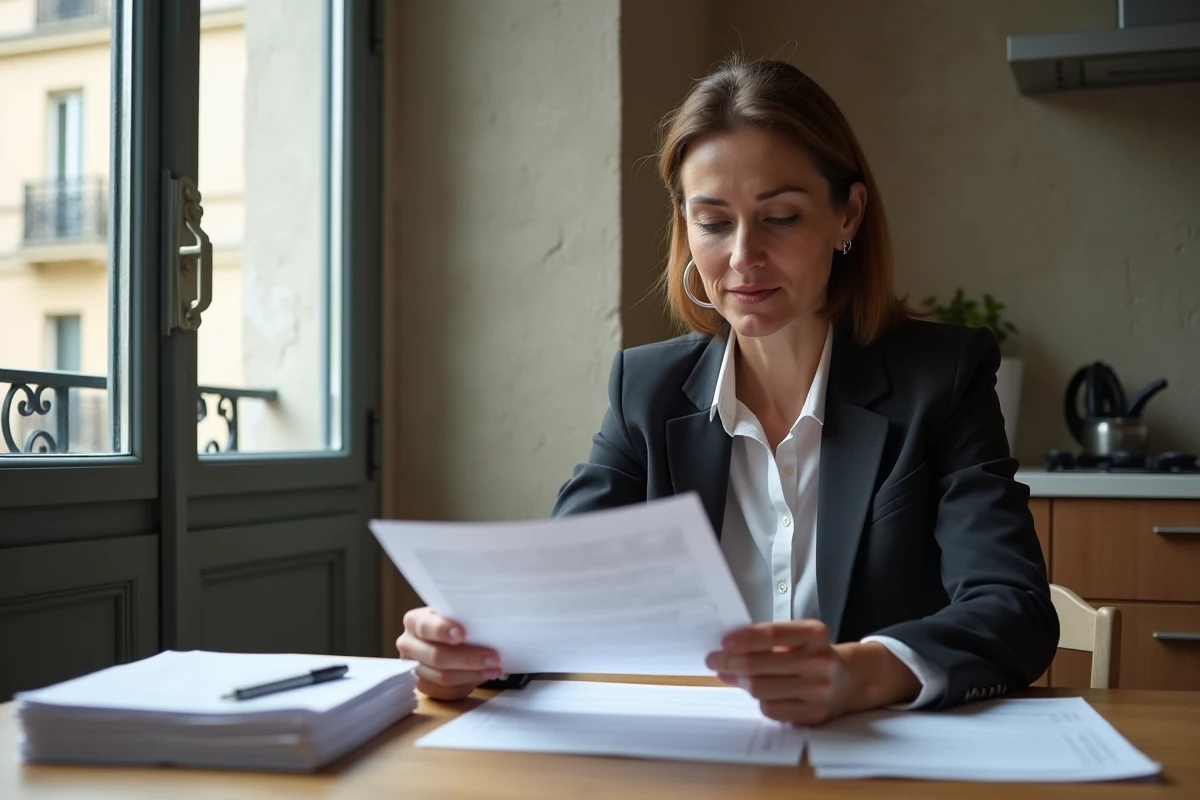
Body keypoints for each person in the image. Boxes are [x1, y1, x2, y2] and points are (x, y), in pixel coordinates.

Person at [396, 56, 1057, 724]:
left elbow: (1013, 608)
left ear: (848, 215)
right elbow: (557, 599)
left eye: (781, 217)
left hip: (875, 767)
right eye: (713, 222)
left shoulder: (939, 380)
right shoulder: (647, 392)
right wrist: (468, 651)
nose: (743, 256)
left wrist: (859, 673)